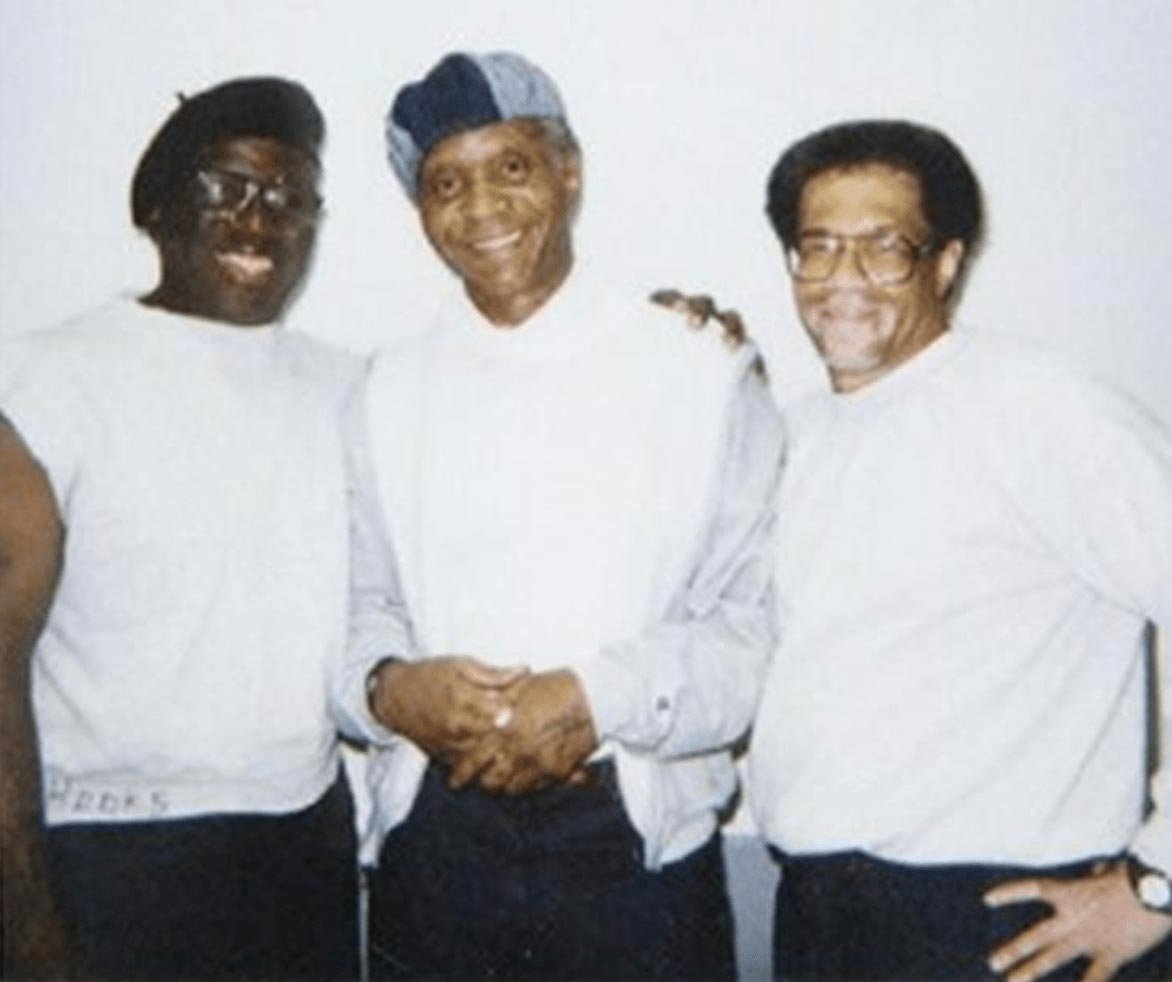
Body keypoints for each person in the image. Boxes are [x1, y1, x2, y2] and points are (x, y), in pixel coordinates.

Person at [342, 50, 785, 981]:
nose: (483, 209)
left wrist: (592, 699)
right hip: (437, 843)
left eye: (512, 168)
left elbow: (752, 633)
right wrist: (389, 689)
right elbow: (356, 606)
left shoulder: (698, 368)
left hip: (633, 843)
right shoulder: (383, 388)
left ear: (568, 169)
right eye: (446, 184)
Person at [749, 119, 1172, 981]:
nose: (843, 279)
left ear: (946, 262)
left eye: (884, 248)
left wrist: (1159, 883)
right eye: (817, 247)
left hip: (998, 922)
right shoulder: (793, 435)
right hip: (821, 915)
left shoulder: (1043, 410)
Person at [0, 77, 367, 981]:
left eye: (289, 199)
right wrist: (26, 919)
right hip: (111, 854)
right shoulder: (48, 381)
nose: (258, 220)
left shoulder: (350, 388)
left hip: (305, 842)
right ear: (159, 207)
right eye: (227, 187)